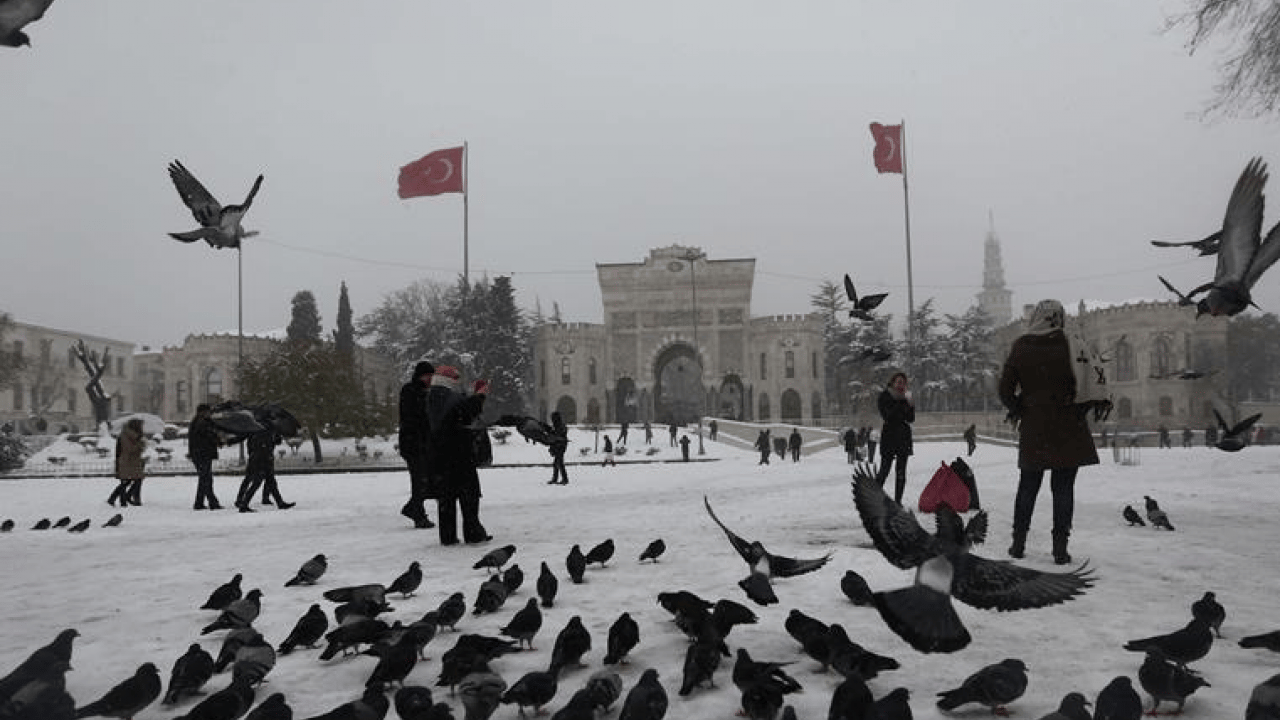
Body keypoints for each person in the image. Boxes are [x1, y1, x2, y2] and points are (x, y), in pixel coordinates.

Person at [998, 299, 1099, 565]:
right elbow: (1090, 378)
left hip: (1035, 424)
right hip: (1068, 422)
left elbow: (1005, 390)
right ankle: (1060, 548)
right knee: (1063, 488)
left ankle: (1018, 544)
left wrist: (1021, 407)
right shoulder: (1072, 343)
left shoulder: (1022, 346)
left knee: (1028, 486)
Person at [425, 366, 492, 545]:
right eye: (456, 380)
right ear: (450, 381)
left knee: (446, 498)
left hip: (439, 455)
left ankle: (447, 536)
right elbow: (467, 412)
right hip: (459, 453)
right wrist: (480, 395)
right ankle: (473, 533)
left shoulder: (431, 397)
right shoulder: (450, 398)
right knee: (469, 494)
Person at [397, 361, 436, 529]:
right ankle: (416, 511)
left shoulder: (424, 392)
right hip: (413, 443)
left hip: (422, 443)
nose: (429, 379)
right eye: (427, 376)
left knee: (424, 479)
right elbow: (413, 416)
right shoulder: (410, 391)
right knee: (420, 479)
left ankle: (414, 508)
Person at [875, 372, 915, 504]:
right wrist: (900, 402)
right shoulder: (885, 396)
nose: (901, 385)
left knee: (901, 473)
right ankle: (874, 499)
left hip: (903, 437)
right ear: (892, 382)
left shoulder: (906, 398)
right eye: (898, 382)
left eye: (903, 382)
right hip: (889, 436)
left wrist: (910, 404)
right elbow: (888, 416)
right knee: (884, 470)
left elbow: (910, 419)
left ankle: (898, 501)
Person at [237, 427, 292, 512]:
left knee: (271, 482)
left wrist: (277, 437)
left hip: (264, 458)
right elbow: (259, 444)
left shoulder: (268, 427)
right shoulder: (261, 427)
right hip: (261, 459)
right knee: (257, 482)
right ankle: (244, 503)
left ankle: (280, 502)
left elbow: (275, 442)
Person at [188, 404, 223, 510]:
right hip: (202, 454)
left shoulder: (200, 421)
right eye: (208, 412)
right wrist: (218, 441)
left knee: (205, 479)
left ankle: (202, 502)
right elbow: (209, 435)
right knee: (206, 479)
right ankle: (210, 502)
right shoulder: (201, 422)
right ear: (202, 412)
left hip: (200, 454)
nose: (209, 413)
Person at [109, 417, 145, 507]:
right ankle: (120, 500)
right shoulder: (125, 435)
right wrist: (140, 445)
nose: (142, 428)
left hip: (133, 462)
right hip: (127, 461)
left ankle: (120, 499)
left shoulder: (135, 435)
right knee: (126, 482)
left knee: (136, 480)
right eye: (140, 426)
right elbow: (129, 449)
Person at [548, 411, 569, 484]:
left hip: (561, 446)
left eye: (552, 418)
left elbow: (559, 435)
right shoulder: (556, 426)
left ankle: (565, 479)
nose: (552, 419)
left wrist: (553, 434)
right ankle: (555, 479)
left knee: (560, 463)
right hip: (558, 446)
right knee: (556, 463)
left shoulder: (560, 426)